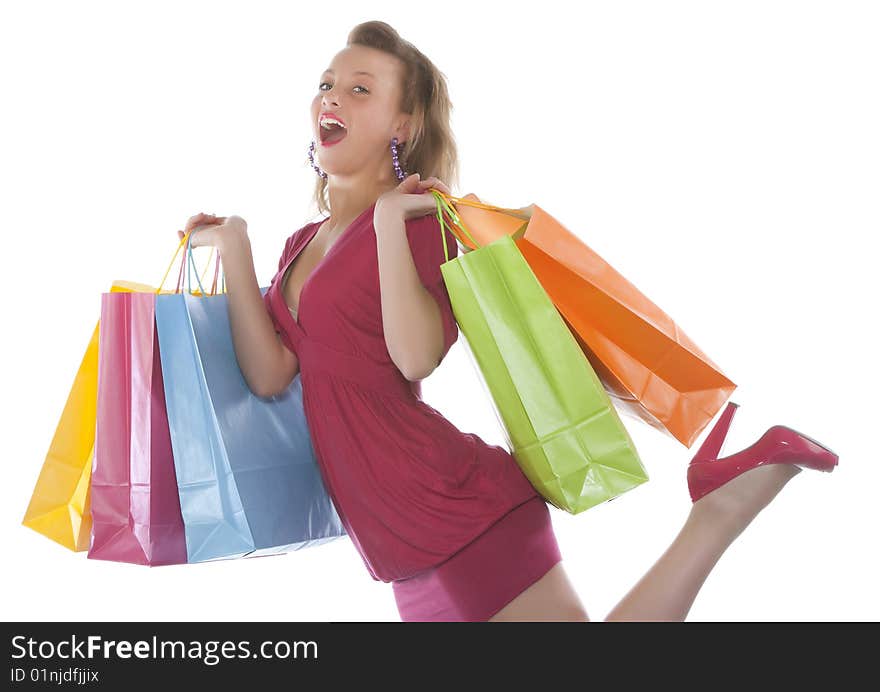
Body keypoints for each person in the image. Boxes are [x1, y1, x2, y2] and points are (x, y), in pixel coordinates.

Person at [175, 20, 838, 622]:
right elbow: (269, 375)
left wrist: (382, 221)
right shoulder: (300, 246)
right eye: (326, 85)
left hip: (454, 514)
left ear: (400, 127)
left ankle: (720, 510)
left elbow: (415, 359)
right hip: (399, 540)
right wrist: (236, 245)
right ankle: (723, 501)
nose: (332, 98)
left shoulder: (414, 224)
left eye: (359, 89)